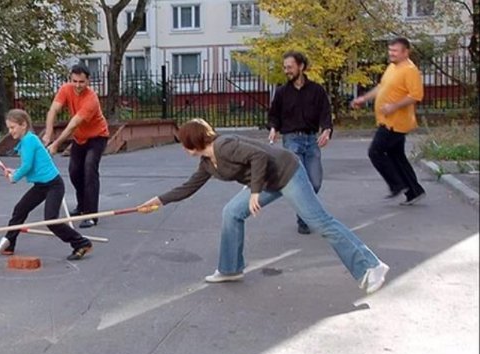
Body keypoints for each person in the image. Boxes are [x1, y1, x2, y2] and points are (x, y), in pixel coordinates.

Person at [137, 118, 390, 294]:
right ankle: (230, 268)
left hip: (287, 173)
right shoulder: (207, 163)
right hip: (267, 182)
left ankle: (371, 265)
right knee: (231, 213)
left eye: (184, 143)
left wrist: (255, 191)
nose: (183, 149)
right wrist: (158, 201)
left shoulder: (224, 146)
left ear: (194, 140)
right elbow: (188, 186)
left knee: (320, 222)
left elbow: (260, 156)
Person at [0, 109, 94, 261]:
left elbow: (27, 166)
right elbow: (30, 166)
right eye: (9, 128)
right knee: (20, 209)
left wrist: (14, 177)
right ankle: (8, 244)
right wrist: (14, 171)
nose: (10, 131)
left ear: (23, 125)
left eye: (12, 127)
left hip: (53, 185)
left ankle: (81, 243)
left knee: (51, 220)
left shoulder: (29, 140)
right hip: (41, 185)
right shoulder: (26, 141)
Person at [351, 37, 426, 205]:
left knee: (375, 152)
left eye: (395, 51)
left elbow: (416, 95)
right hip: (386, 120)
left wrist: (394, 106)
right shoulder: (393, 67)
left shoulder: (410, 70)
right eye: (390, 50)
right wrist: (363, 98)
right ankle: (414, 191)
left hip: (397, 122)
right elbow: (381, 87)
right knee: (397, 156)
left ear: (406, 52)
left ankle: (396, 185)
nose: (391, 54)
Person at [268, 51, 333, 235]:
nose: (286, 70)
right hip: (291, 141)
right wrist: (273, 128)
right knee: (300, 182)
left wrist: (327, 130)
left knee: (315, 182)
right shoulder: (281, 92)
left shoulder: (317, 90)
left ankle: (305, 214)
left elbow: (325, 113)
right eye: (285, 67)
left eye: (290, 67)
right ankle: (304, 219)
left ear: (301, 67)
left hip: (311, 140)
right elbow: (274, 116)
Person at [42, 64, 110, 228]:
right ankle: (82, 207)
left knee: (89, 169)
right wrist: (48, 135)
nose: (78, 85)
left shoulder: (91, 98)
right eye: (75, 81)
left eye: (81, 82)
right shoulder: (66, 89)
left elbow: (73, 124)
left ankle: (92, 215)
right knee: (74, 171)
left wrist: (56, 144)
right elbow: (53, 110)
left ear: (88, 81)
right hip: (80, 138)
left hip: (97, 137)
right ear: (70, 79)